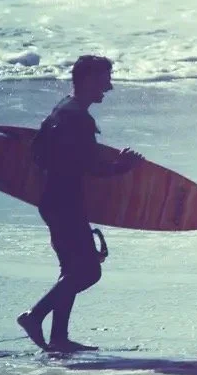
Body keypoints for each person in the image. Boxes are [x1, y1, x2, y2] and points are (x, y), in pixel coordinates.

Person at [17, 55, 144, 353]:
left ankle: (59, 337)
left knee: (71, 269)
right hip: (65, 203)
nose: (109, 87)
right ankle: (34, 316)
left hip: (54, 199)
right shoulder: (78, 119)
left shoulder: (62, 109)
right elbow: (90, 166)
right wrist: (122, 166)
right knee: (88, 272)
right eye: (104, 79)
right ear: (88, 79)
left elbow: (38, 154)